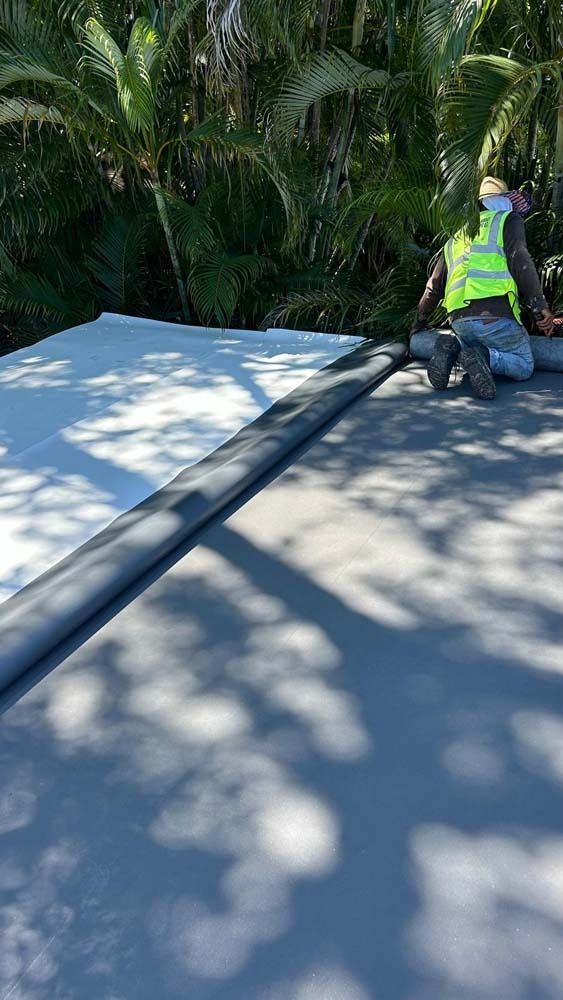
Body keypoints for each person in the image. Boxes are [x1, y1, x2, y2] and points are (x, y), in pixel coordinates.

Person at [411, 176, 555, 400]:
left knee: (471, 342)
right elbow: (521, 260)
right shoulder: (508, 219)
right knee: (524, 364)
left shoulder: (456, 237)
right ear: (505, 200)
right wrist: (540, 306)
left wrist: (417, 326)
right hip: (495, 319)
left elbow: (433, 287)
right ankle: (485, 357)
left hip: (459, 322)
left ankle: (454, 347)